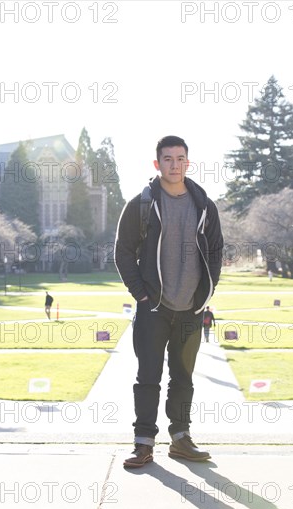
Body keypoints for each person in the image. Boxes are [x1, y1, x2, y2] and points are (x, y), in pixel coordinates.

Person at [115, 135, 223, 468]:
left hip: (191, 308)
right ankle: (143, 443)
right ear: (157, 163)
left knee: (183, 378)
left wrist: (206, 292)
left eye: (180, 159)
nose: (174, 165)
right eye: (167, 159)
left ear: (187, 163)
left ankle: (180, 439)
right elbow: (123, 251)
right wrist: (142, 294)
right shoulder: (142, 204)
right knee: (148, 377)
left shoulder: (204, 205)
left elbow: (216, 250)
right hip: (153, 309)